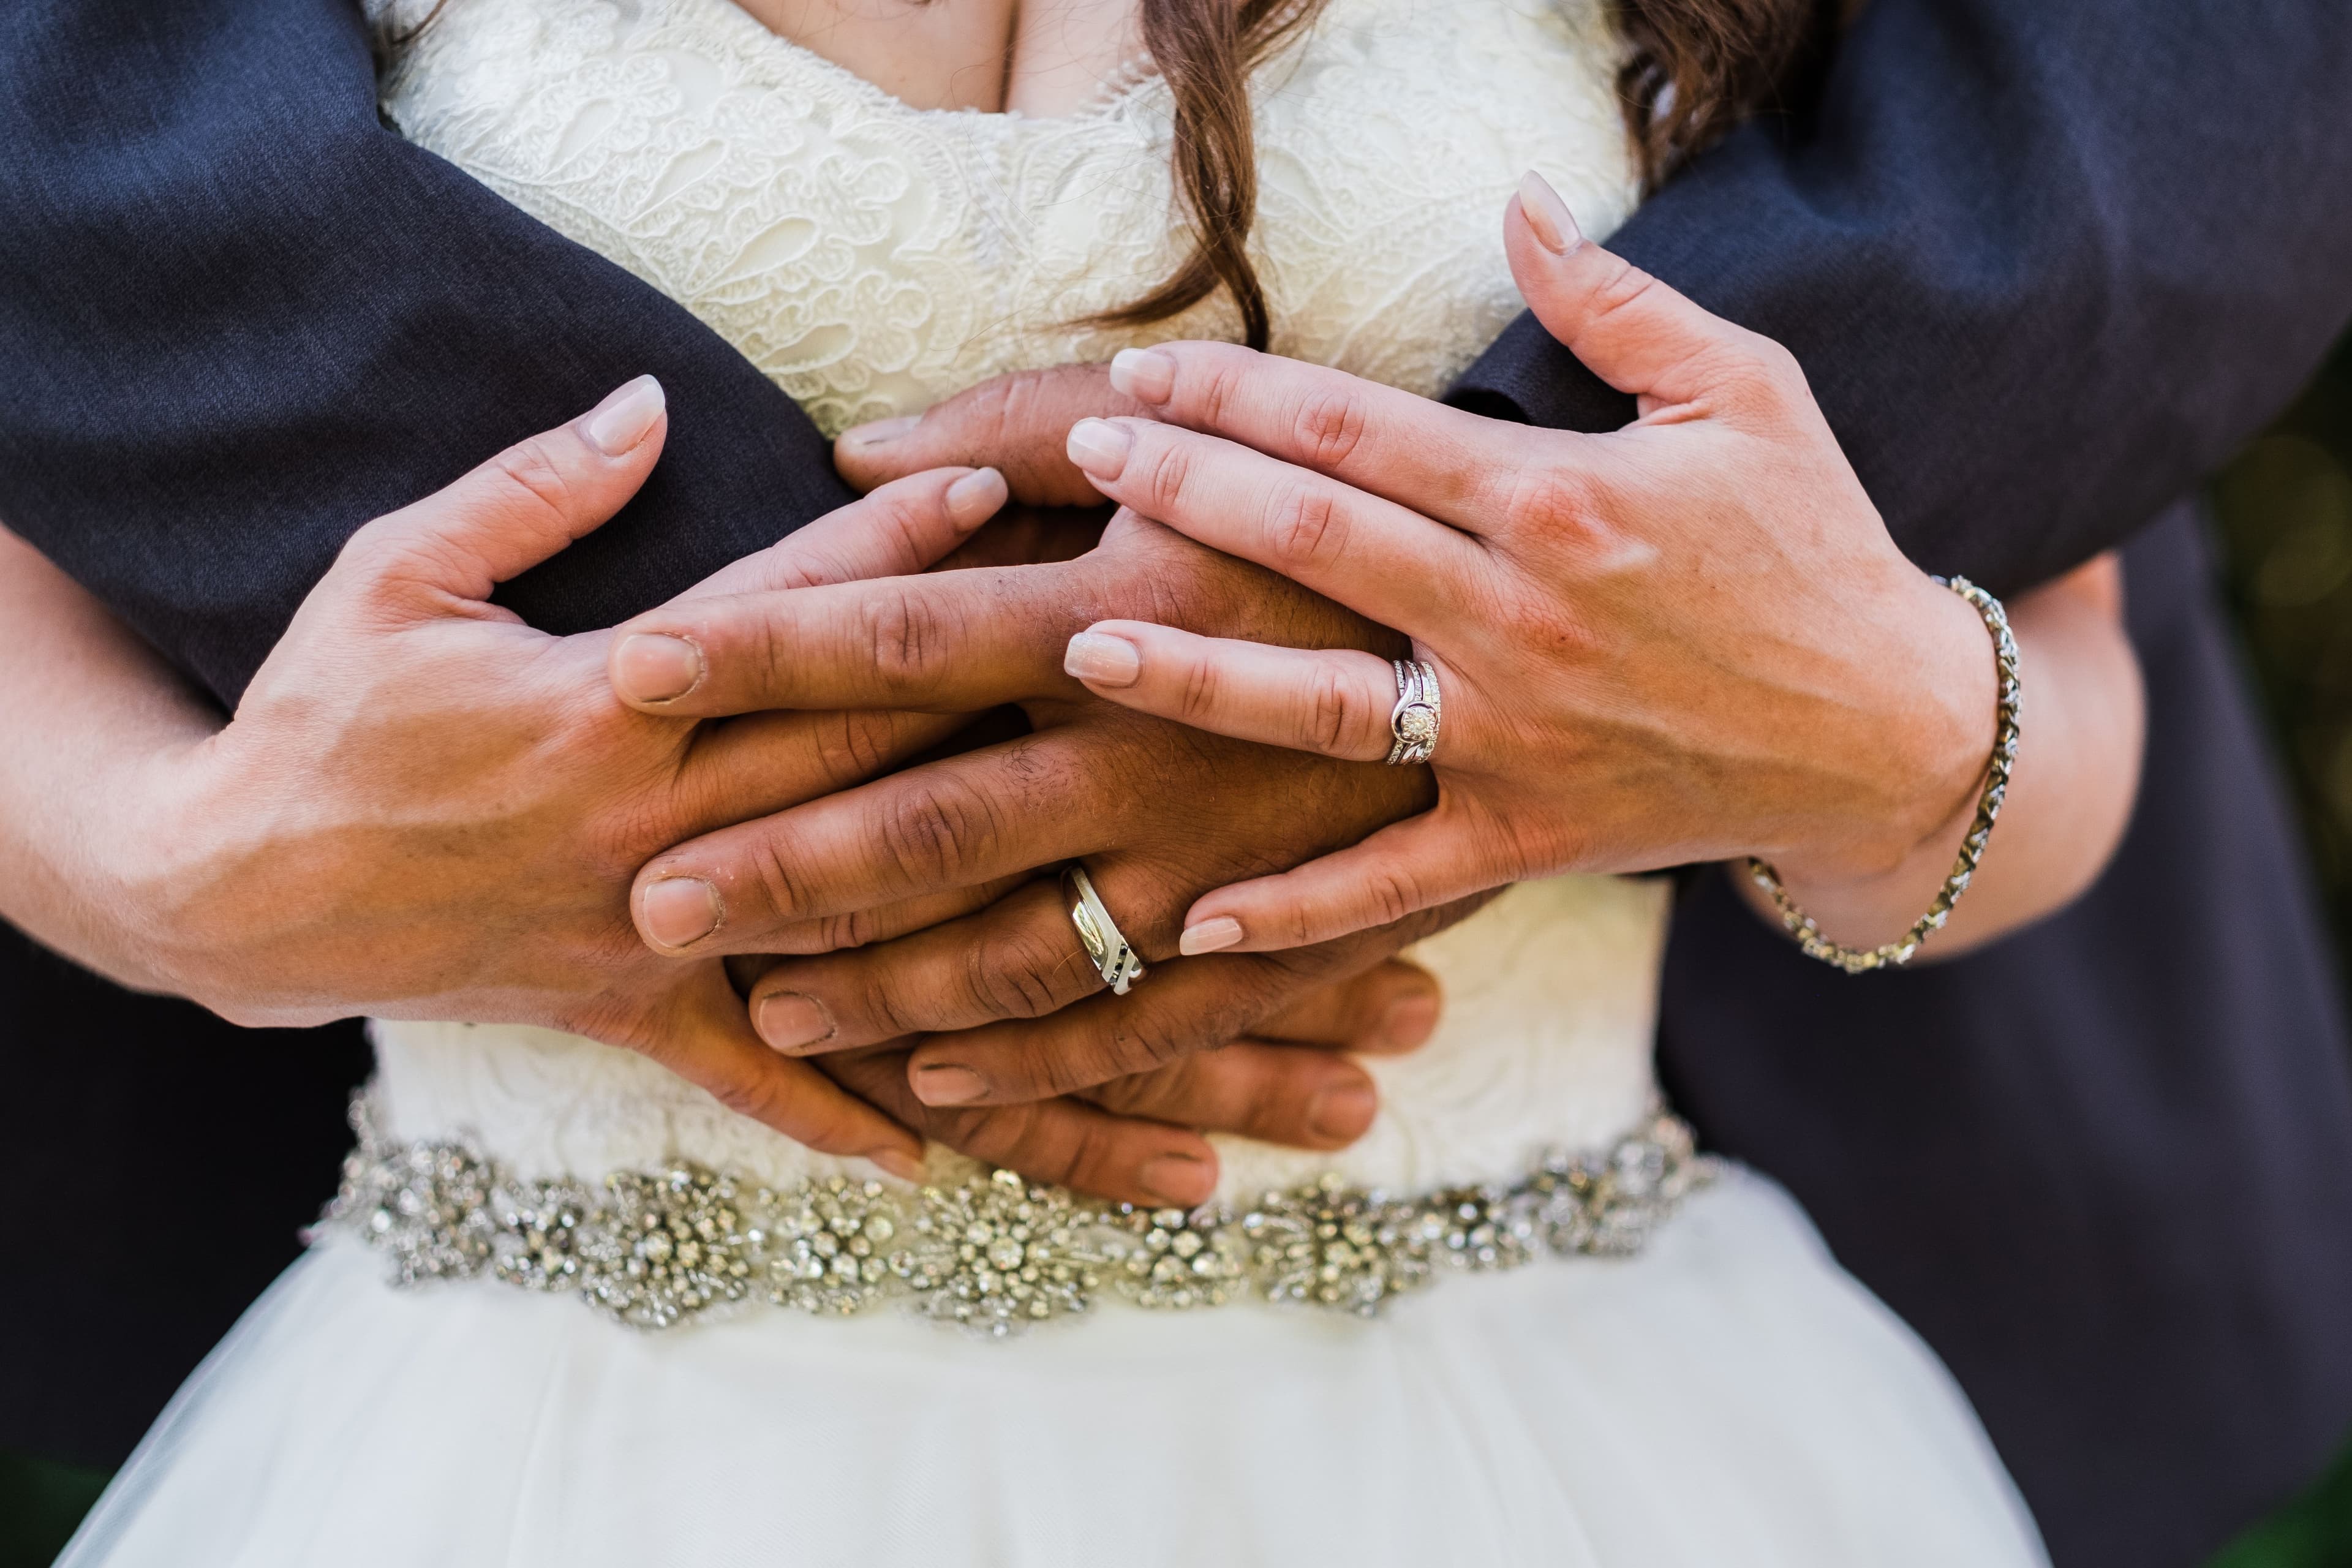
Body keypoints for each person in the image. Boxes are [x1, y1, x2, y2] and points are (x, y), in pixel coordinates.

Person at [2, 1, 2348, 1564]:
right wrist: (170, 872)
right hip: (516, 1448)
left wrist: (1882, 743)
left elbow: (2048, 682)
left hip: (1550, 1435)